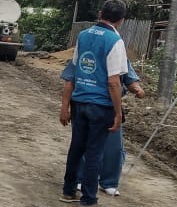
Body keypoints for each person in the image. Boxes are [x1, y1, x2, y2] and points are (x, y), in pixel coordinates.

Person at [59, 0, 129, 207]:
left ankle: (68, 191)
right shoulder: (115, 41)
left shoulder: (83, 35)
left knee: (77, 148)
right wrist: (118, 112)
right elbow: (114, 82)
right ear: (121, 19)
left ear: (100, 13)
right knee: (94, 153)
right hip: (100, 105)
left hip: (80, 101)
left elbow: (74, 71)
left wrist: (65, 106)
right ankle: (89, 200)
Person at [61, 58, 146, 196]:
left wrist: (137, 89)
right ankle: (80, 179)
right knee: (84, 145)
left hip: (109, 105)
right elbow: (70, 81)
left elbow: (128, 79)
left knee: (113, 147)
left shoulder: (119, 56)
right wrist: (65, 108)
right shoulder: (83, 53)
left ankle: (109, 181)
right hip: (84, 103)